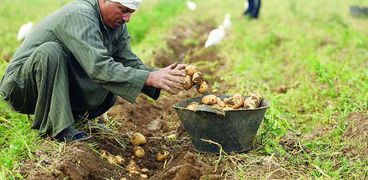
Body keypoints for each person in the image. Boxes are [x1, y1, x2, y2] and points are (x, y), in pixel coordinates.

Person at [0, 0, 186, 142]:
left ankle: (74, 118)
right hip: (20, 86)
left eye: (131, 12)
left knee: (114, 83)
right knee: (52, 52)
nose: (127, 18)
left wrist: (163, 74)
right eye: (124, 10)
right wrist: (149, 77)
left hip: (49, 79)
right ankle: (57, 129)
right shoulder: (80, 13)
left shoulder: (117, 27)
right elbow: (98, 67)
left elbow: (129, 62)